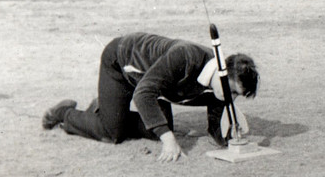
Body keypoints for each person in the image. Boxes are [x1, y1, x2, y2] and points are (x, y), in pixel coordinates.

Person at [42, 32, 259, 162]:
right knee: (113, 133)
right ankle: (65, 114)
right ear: (222, 70)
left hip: (153, 83)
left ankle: (106, 107)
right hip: (121, 62)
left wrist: (226, 139)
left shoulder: (219, 83)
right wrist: (169, 141)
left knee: (158, 130)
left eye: (236, 95)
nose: (230, 98)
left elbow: (215, 117)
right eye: (231, 91)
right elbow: (144, 94)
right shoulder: (186, 57)